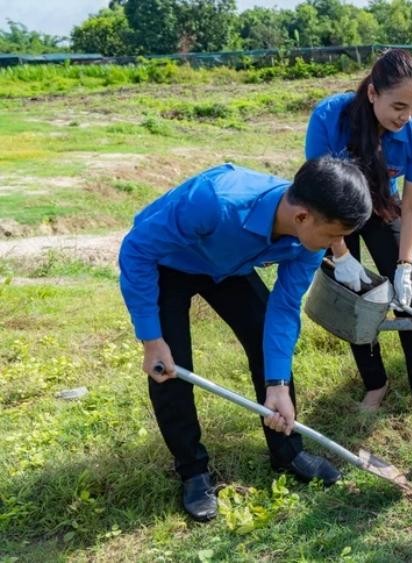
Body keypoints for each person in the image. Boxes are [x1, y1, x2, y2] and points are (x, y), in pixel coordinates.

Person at [118, 157, 371, 522]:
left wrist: (278, 383)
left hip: (229, 267)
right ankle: (193, 471)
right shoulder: (216, 201)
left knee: (262, 338)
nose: (337, 245)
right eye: (334, 235)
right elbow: (137, 249)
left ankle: (287, 453)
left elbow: (284, 309)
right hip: (169, 263)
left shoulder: (308, 241)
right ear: (302, 217)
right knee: (171, 367)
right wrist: (150, 338)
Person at [304, 49, 412, 427]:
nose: (406, 117)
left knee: (411, 297)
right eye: (398, 106)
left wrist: (404, 264)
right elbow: (318, 195)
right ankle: (376, 384)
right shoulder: (329, 118)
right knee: (353, 296)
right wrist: (341, 255)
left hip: (384, 205)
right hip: (334, 206)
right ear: (373, 94)